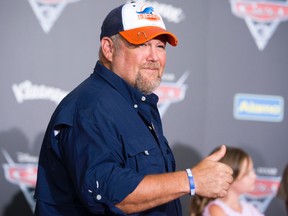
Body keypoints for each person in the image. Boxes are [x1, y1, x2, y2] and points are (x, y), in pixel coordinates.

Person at [33, 1, 233, 215]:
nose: (154, 57)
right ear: (109, 48)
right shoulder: (90, 107)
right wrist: (191, 180)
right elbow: (109, 194)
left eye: (160, 46)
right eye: (142, 44)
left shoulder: (138, 105)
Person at [189, 146, 264, 216]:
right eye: (247, 173)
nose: (254, 176)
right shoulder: (215, 209)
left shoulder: (250, 208)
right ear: (229, 177)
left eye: (252, 171)